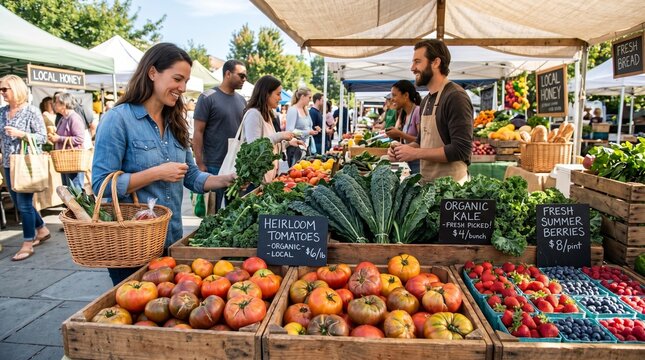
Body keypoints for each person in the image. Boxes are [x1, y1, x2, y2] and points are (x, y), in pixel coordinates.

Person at [92, 43, 235, 285]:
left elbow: (191, 176)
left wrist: (227, 179)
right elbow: (101, 185)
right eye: (177, 79)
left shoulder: (175, 122)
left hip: (171, 239)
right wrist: (156, 173)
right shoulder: (118, 120)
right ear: (152, 73)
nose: (182, 88)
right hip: (133, 245)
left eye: (186, 81)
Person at [389, 39, 473, 184]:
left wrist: (415, 153)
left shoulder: (455, 97)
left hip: (451, 191)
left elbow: (461, 149)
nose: (412, 68)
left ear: (435, 63)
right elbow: (421, 142)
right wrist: (402, 150)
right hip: (428, 186)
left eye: (417, 61)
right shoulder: (426, 100)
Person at [0, 75, 50, 261]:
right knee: (19, 202)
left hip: (25, 163)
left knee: (24, 204)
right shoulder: (2, 112)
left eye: (5, 89)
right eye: (1, 90)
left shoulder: (31, 111)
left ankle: (27, 243)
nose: (2, 92)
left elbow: (42, 137)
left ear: (16, 89)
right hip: (7, 164)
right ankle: (42, 230)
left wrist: (21, 134)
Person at [192, 59, 246, 210]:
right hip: (214, 165)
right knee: (212, 212)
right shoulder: (208, 97)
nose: (244, 79)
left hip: (236, 165)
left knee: (234, 211)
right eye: (241, 75)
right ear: (228, 74)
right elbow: (198, 132)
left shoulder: (242, 100)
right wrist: (200, 163)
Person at [242, 75, 301, 183]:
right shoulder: (253, 114)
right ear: (266, 93)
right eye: (278, 94)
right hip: (254, 182)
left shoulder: (267, 115)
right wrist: (280, 136)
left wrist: (288, 143)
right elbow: (254, 148)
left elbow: (269, 144)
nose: (281, 98)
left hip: (266, 178)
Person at [49, 93, 89, 189]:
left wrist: (59, 138)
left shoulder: (74, 118)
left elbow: (80, 138)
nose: (54, 104)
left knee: (75, 191)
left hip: (73, 160)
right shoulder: (63, 118)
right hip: (65, 160)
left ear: (64, 104)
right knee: (69, 191)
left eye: (57, 102)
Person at [385, 80, 422, 174]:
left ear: (406, 95)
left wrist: (399, 133)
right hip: (408, 164)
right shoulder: (404, 114)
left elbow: (422, 141)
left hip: (418, 166)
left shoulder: (417, 111)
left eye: (394, 95)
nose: (392, 99)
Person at [286, 88, 319, 165]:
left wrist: (314, 129)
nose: (310, 100)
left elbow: (307, 127)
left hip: (307, 147)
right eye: (309, 97)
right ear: (302, 97)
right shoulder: (293, 110)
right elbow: (290, 130)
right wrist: (308, 132)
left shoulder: (305, 109)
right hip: (296, 148)